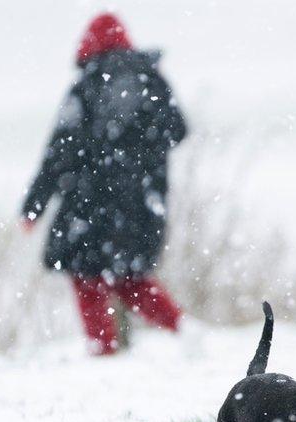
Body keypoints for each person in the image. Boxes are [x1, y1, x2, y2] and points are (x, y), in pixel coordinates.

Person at [21, 13, 187, 355]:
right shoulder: (151, 81)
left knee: (87, 277)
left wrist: (34, 206)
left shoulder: (86, 88)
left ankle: (103, 349)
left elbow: (59, 151)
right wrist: (139, 154)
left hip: (90, 204)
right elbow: (178, 129)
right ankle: (183, 330)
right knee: (130, 278)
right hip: (142, 204)